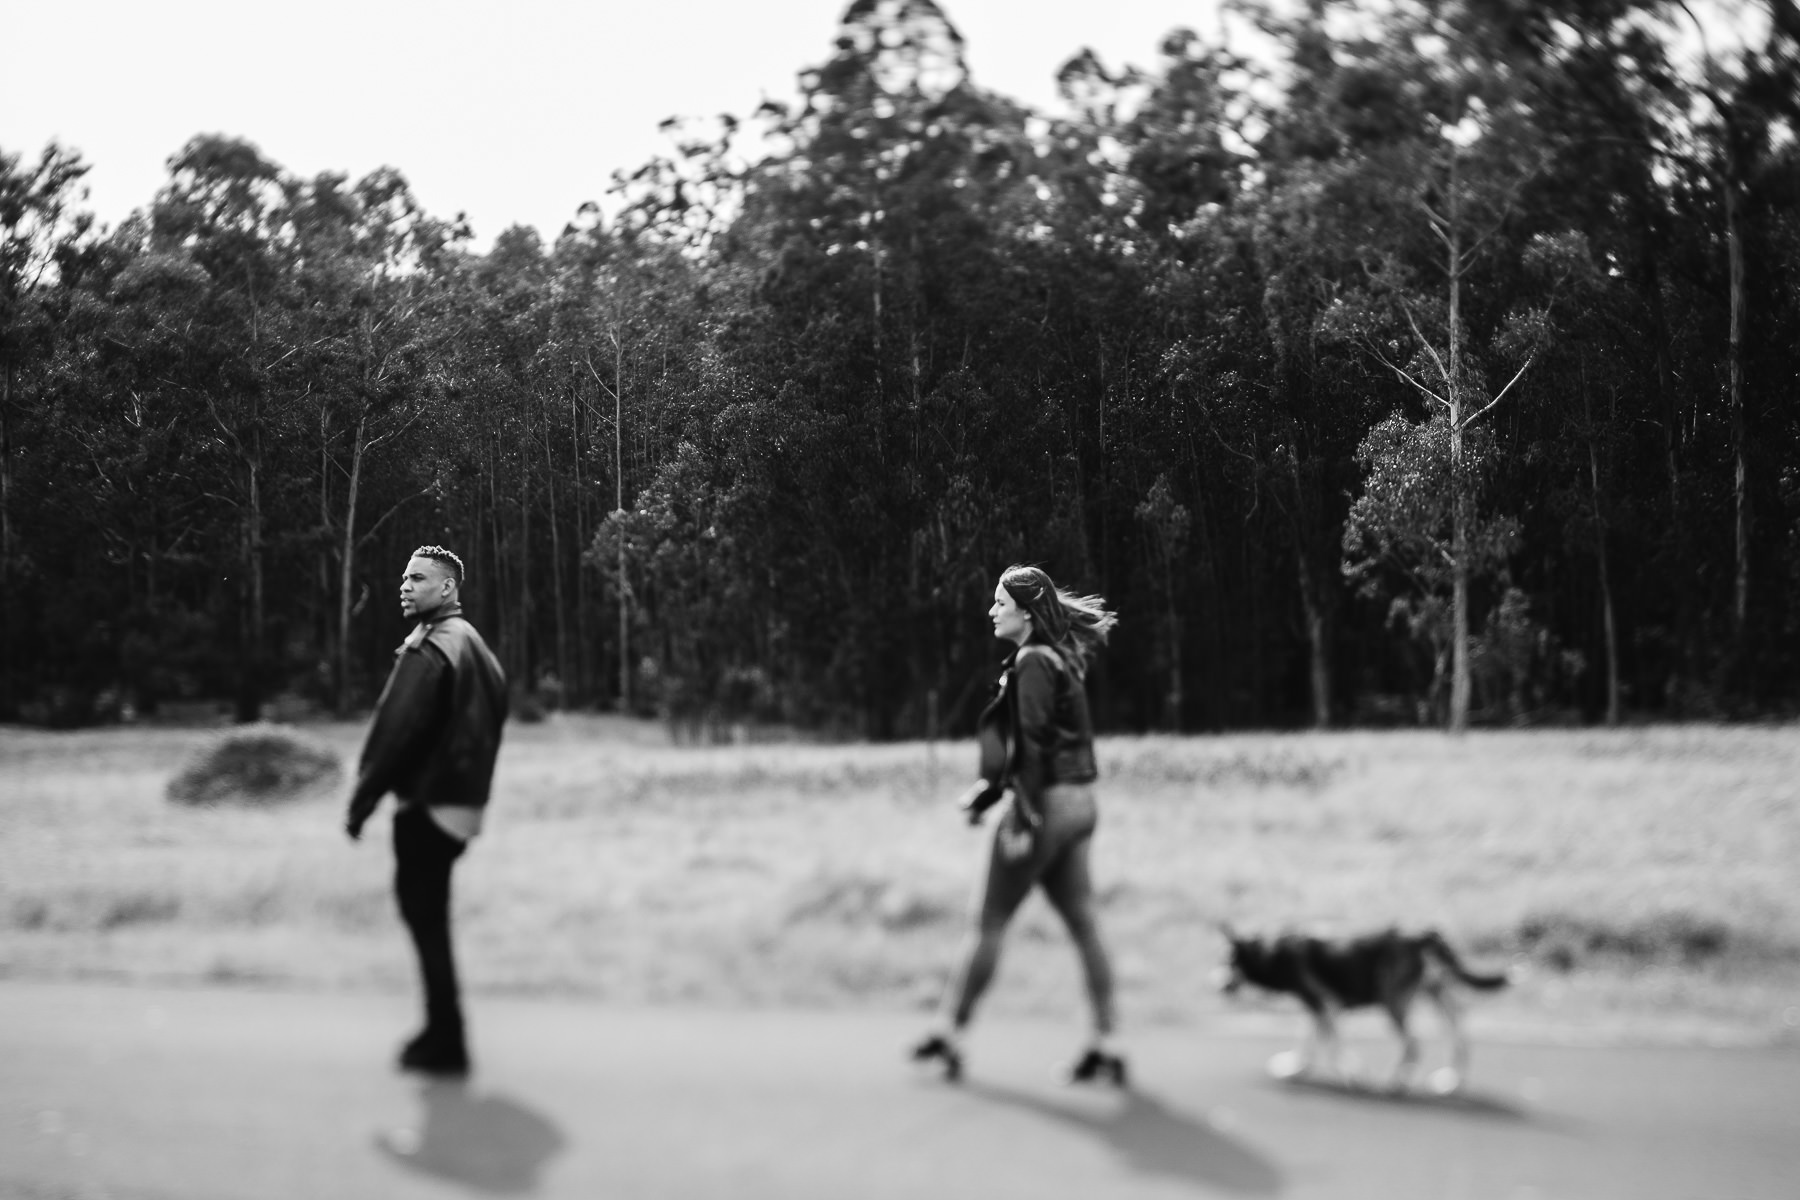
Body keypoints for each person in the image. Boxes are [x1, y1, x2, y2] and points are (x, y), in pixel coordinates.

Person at [911, 564, 1125, 1086]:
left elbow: (1031, 744)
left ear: (1026, 613)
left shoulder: (1031, 660)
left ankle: (949, 1035)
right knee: (1084, 924)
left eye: (1000, 603)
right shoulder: (1059, 657)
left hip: (1046, 805)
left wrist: (1023, 817)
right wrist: (989, 794)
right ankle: (1105, 1046)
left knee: (988, 923)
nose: (991, 611)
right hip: (1080, 807)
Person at [345, 545, 508, 1076]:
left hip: (429, 804)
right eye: (404, 578)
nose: (405, 587)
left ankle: (447, 1040)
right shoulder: (475, 646)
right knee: (430, 917)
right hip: (465, 806)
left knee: (425, 919)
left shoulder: (432, 645)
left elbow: (396, 729)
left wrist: (363, 798)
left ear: (447, 589)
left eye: (417, 579)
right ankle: (443, 1033)